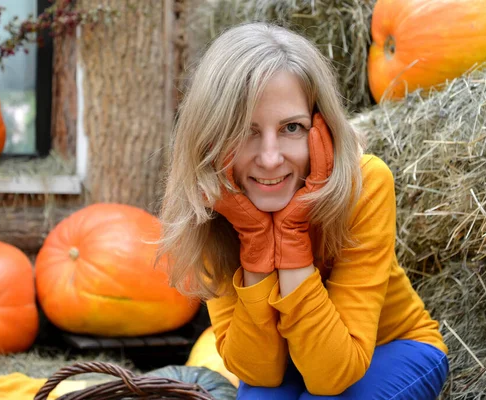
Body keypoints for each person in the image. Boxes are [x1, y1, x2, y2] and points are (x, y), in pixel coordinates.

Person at [157, 22, 449, 399]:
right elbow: (258, 372)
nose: (270, 158)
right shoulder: (213, 205)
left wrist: (291, 237)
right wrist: (256, 242)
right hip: (289, 362)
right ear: (210, 138)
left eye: (291, 127)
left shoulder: (366, 184)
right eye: (245, 131)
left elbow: (333, 376)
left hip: (392, 346)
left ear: (322, 128)